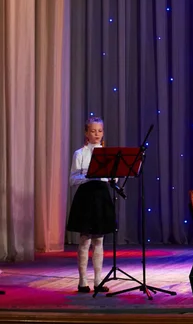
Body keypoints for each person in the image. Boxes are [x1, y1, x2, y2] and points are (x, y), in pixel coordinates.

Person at [66, 117, 117, 293]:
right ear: (86, 133)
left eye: (100, 131)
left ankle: (98, 280)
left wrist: (111, 177)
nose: (97, 134)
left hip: (102, 196)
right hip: (86, 197)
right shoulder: (80, 154)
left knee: (99, 239)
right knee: (85, 239)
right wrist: (89, 176)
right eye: (93, 131)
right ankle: (82, 281)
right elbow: (72, 179)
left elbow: (114, 178)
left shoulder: (107, 153)